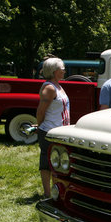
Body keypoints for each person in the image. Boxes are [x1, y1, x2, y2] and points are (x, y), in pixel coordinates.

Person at [36, 57, 70, 198]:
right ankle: (47, 193)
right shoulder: (49, 88)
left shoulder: (58, 86)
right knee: (46, 161)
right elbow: (41, 111)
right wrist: (41, 126)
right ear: (55, 71)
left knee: (60, 162)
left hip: (60, 131)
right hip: (49, 132)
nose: (64, 71)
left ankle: (59, 190)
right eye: (62, 69)